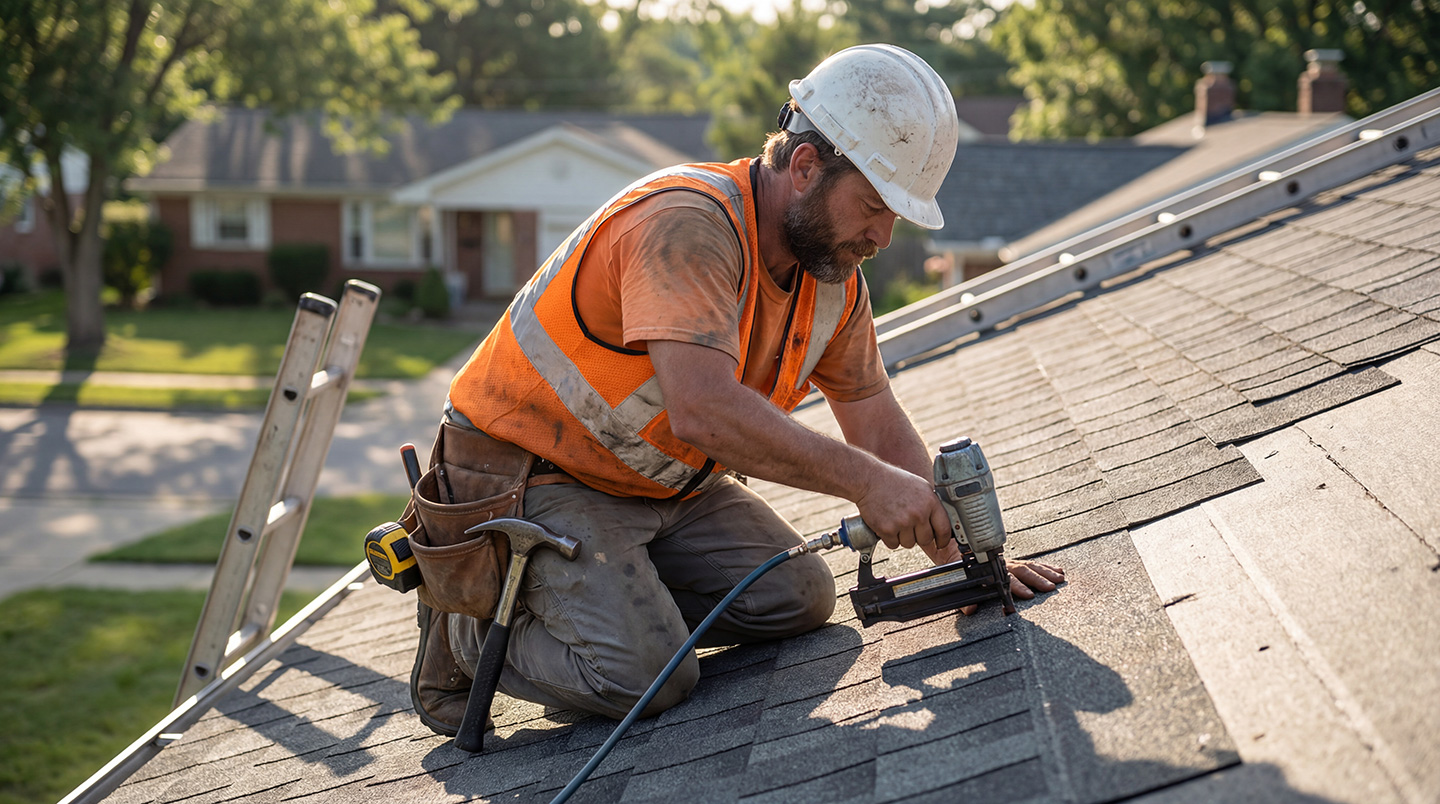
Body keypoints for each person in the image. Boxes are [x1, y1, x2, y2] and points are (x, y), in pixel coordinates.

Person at [409, 44, 1064, 733]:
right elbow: (703, 410)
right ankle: (473, 623)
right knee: (649, 677)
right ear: (806, 167)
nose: (883, 235)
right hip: (529, 481)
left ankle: (617, 606)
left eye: (895, 215)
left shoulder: (833, 279)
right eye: (872, 205)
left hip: (658, 491)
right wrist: (869, 486)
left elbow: (873, 417)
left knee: (801, 599)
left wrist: (962, 561)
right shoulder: (687, 225)